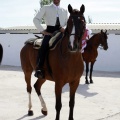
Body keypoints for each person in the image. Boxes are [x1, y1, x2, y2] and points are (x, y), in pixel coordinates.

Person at [33, 0, 68, 79]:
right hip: (50, 32)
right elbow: (35, 19)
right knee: (44, 46)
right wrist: (42, 31)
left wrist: (64, 28)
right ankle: (40, 68)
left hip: (61, 32)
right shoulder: (46, 8)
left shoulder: (64, 10)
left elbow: (67, 23)